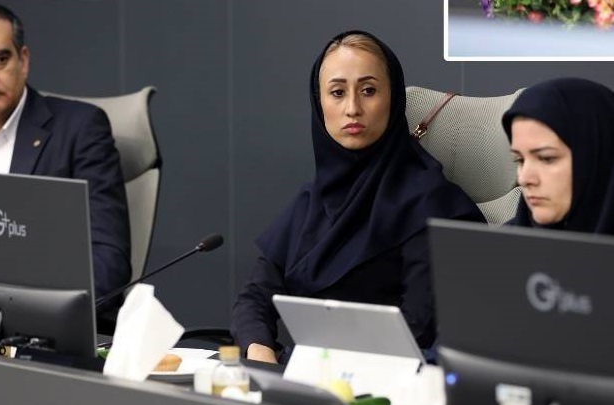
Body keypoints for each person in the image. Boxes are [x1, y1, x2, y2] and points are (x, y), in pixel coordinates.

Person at [231, 30, 485, 364]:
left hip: (390, 381)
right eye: (337, 92)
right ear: (319, 103)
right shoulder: (311, 200)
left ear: (392, 98)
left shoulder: (430, 203)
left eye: (368, 91)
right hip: (309, 376)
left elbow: (419, 327)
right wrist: (258, 349)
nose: (352, 108)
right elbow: (255, 296)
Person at [0, 1, 131, 317]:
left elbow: (108, 262)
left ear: (23, 60)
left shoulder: (79, 130)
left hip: (26, 330)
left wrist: (19, 319)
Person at [503, 77, 614, 233]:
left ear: (599, 160)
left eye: (546, 158)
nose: (524, 179)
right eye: (520, 160)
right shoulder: (500, 241)